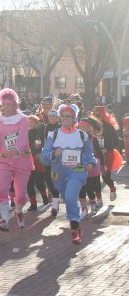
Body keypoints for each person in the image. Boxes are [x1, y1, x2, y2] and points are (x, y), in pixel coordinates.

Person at [41, 104, 97, 244]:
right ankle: (76, 227)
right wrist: (54, 153)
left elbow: (89, 154)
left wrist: (90, 163)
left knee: (71, 197)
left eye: (68, 116)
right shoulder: (53, 135)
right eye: (63, 116)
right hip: (59, 174)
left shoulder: (82, 135)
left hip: (77, 172)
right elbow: (44, 156)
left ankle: (74, 228)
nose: (65, 119)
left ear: (74, 118)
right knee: (67, 198)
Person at [0, 88, 34, 231]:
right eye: (3, 104)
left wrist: (15, 150)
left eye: (9, 104)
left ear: (15, 105)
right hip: (4, 160)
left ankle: (18, 210)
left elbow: (23, 138)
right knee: (1, 188)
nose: (5, 106)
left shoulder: (22, 120)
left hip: (22, 160)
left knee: (21, 194)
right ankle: (4, 218)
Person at [77, 117, 105, 217]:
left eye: (83, 126)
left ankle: (93, 205)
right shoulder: (75, 138)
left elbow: (100, 153)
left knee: (90, 188)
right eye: (79, 126)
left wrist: (102, 165)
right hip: (78, 167)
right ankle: (84, 209)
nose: (80, 128)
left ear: (88, 128)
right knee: (81, 188)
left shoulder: (93, 138)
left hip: (91, 167)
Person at [93, 106, 120, 201]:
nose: (96, 117)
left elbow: (116, 141)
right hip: (94, 155)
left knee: (105, 177)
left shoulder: (109, 127)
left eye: (98, 115)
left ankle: (112, 189)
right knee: (94, 179)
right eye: (95, 115)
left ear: (103, 115)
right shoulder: (91, 126)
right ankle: (99, 199)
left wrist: (107, 149)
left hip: (107, 155)